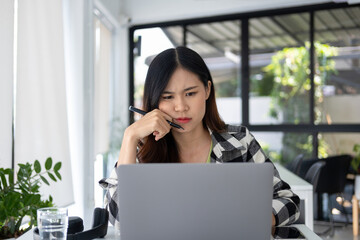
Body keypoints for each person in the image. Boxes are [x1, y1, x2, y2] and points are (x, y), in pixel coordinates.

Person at [99, 46, 300, 228]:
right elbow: (119, 220)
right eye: (168, 97)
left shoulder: (240, 141)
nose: (181, 107)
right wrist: (130, 136)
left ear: (207, 90)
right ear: (154, 102)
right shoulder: (141, 152)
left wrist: (256, 221)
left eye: (190, 93)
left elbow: (288, 200)